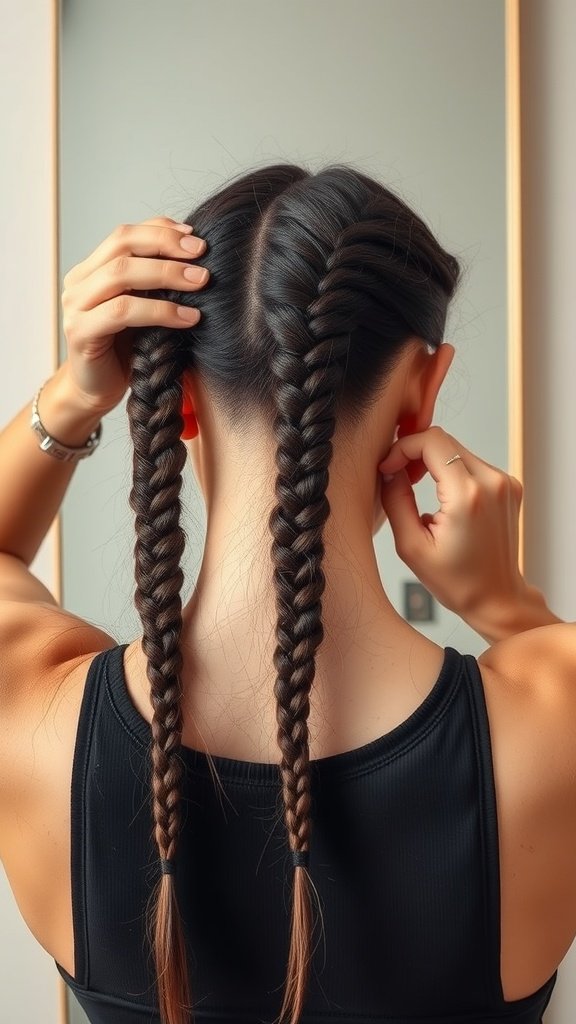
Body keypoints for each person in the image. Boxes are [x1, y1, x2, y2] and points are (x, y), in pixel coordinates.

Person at [0, 163, 572, 1024]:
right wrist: (508, 608)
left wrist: (74, 395)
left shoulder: (31, 718)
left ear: (176, 403)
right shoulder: (554, 722)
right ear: (424, 387)